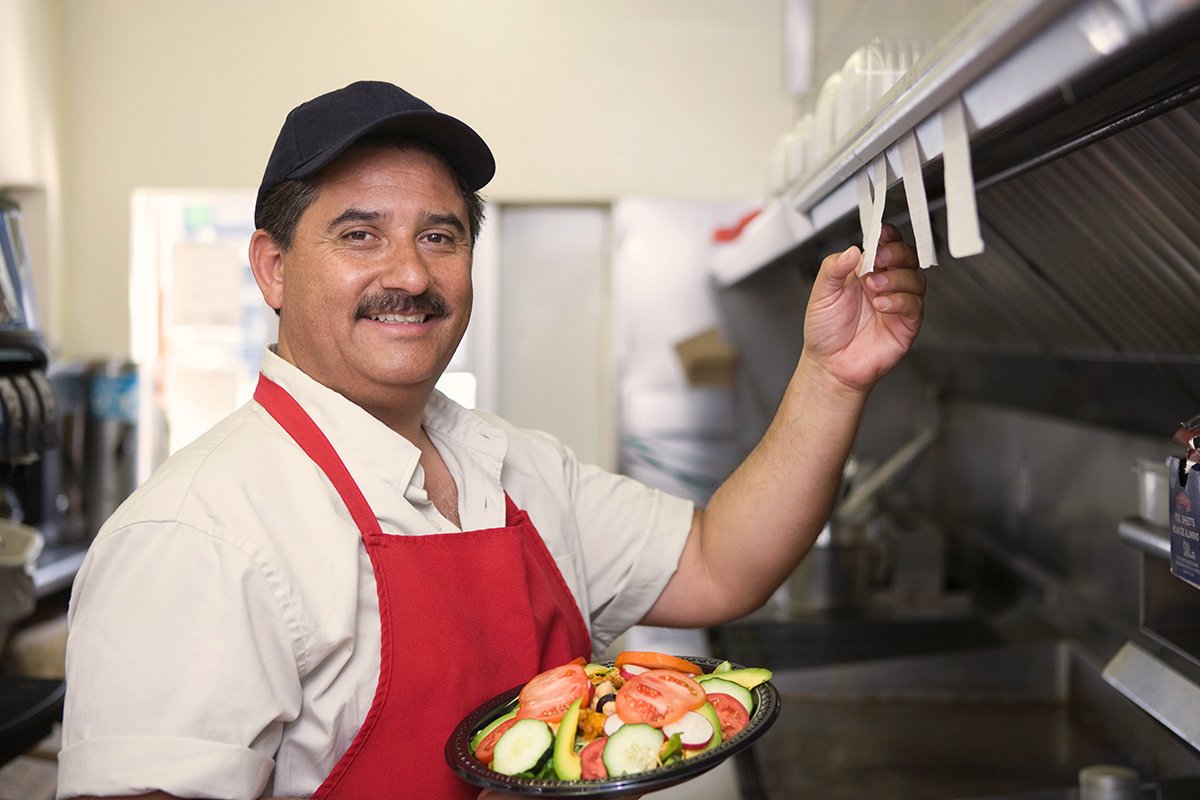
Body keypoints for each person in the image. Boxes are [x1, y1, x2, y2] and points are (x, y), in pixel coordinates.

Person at [57, 80, 925, 800]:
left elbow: (717, 563)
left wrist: (831, 376)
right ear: (273, 267)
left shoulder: (512, 466)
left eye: (440, 236)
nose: (409, 274)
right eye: (360, 235)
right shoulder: (197, 536)